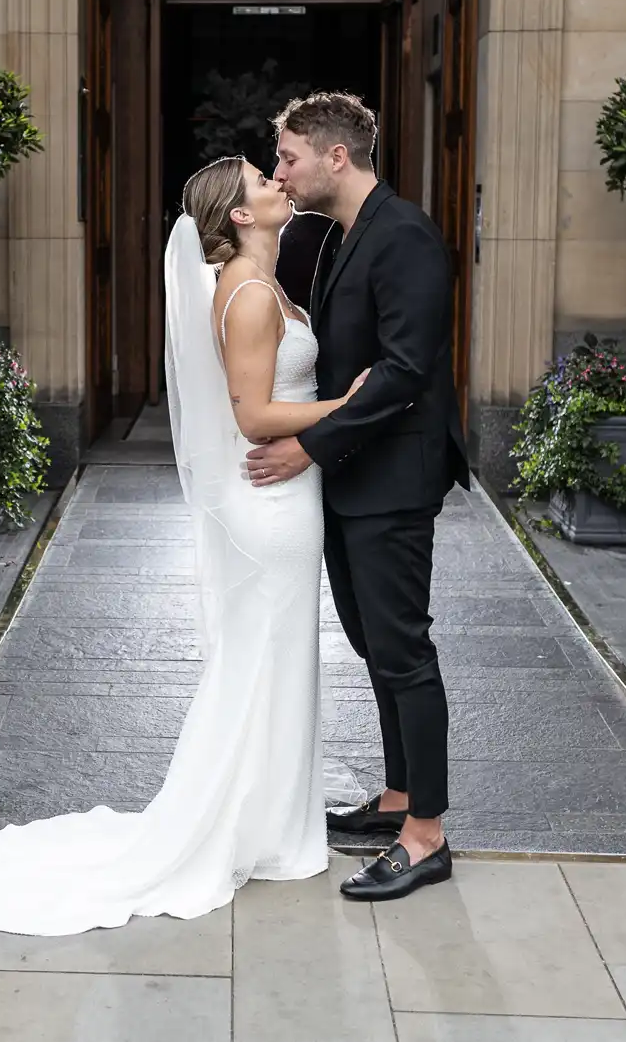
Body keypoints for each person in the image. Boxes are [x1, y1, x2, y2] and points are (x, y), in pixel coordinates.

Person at [0, 155, 364, 935]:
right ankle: (240, 827)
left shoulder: (262, 281)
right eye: (264, 180)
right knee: (257, 658)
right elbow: (256, 416)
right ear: (237, 214)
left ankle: (268, 823)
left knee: (275, 656)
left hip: (283, 497)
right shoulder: (251, 296)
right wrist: (349, 401)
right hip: (270, 500)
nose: (277, 185)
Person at [247, 91, 471, 902]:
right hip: (356, 478)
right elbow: (354, 356)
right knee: (377, 646)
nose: (281, 171)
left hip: (393, 479)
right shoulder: (343, 232)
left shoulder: (404, 233)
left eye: (289, 157)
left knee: (404, 652)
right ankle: (401, 795)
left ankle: (426, 836)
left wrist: (307, 443)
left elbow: (406, 373)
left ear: (335, 156)